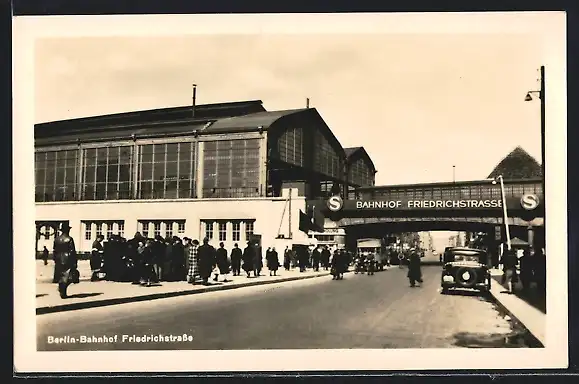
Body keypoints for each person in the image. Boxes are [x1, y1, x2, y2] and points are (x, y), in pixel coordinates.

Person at [53, 223, 78, 299]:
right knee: (68, 276)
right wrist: (74, 261)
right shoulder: (69, 239)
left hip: (59, 259)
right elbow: (72, 251)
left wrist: (55, 259)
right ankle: (63, 290)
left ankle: (62, 289)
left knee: (61, 276)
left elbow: (54, 250)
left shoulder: (57, 239)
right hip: (68, 259)